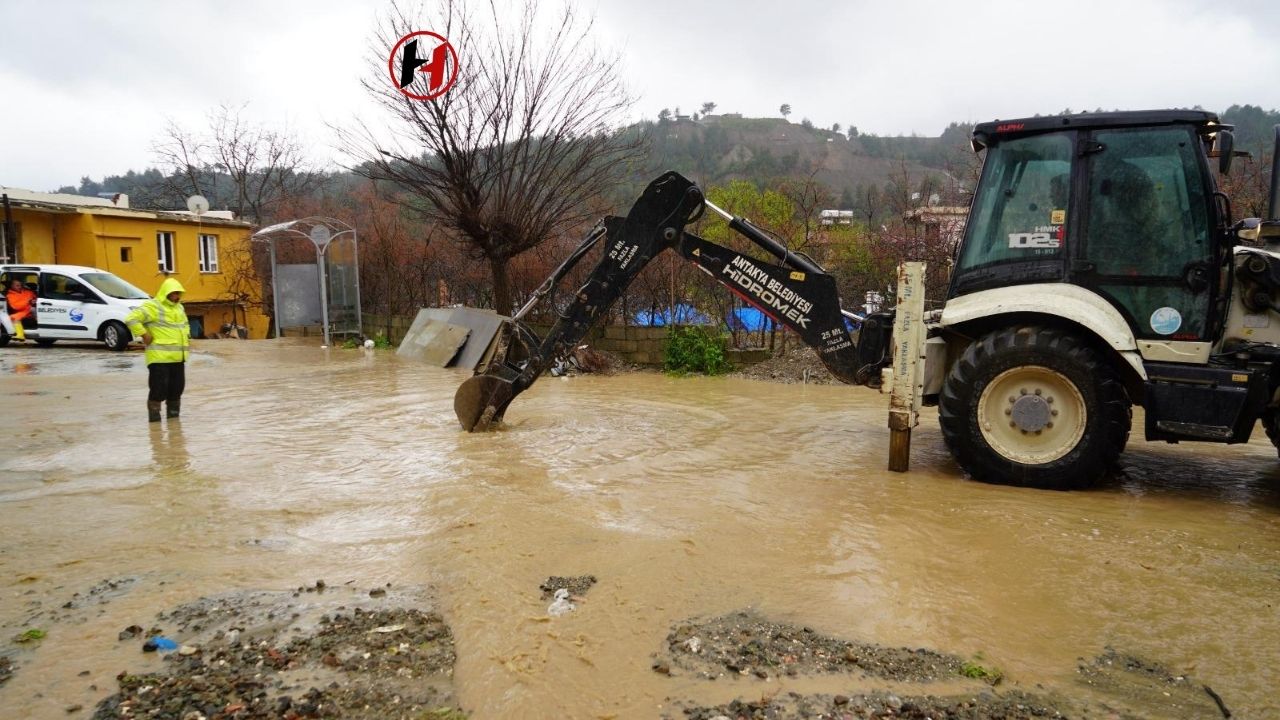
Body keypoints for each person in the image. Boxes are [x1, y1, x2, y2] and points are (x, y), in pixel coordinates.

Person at [124, 278, 190, 422]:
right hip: (159, 357)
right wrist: (144, 334)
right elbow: (131, 319)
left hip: (179, 357)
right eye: (174, 293)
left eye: (179, 293)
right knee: (158, 390)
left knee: (176, 390)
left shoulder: (180, 308)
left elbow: (185, 326)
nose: (177, 296)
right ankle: (155, 422)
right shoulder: (153, 306)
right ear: (166, 293)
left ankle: (174, 425)